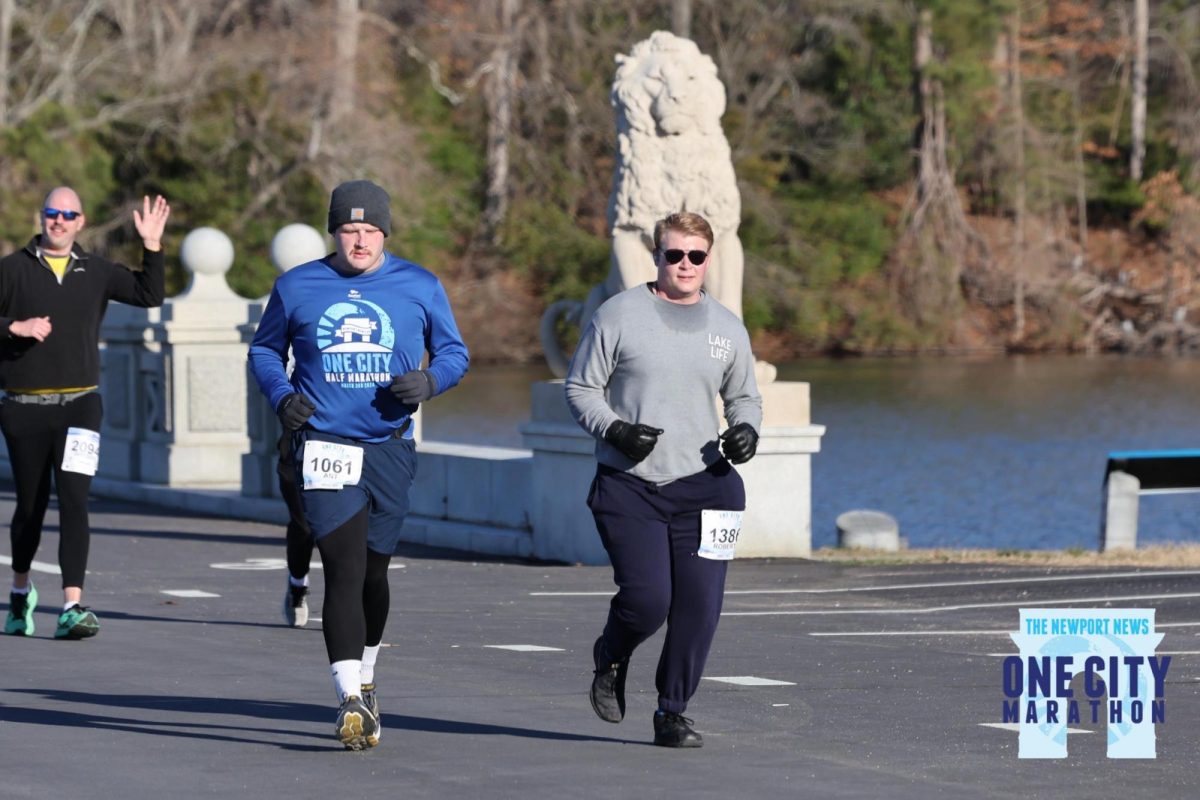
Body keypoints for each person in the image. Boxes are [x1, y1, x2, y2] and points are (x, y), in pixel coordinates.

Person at [248, 179, 468, 750]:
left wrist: (430, 380)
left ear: (385, 234)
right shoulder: (297, 286)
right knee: (342, 570)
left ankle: (367, 675)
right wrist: (281, 395)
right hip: (326, 446)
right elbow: (265, 350)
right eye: (349, 229)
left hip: (390, 446)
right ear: (334, 231)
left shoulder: (419, 285)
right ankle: (349, 698)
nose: (360, 240)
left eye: (370, 230)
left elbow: (454, 353)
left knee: (373, 573)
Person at [564, 211, 762, 748]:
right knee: (648, 600)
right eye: (673, 254)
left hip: (709, 486)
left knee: (699, 608)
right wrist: (616, 430)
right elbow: (581, 389)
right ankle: (611, 654)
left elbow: (744, 396)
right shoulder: (619, 314)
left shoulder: (726, 327)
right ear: (656, 257)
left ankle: (672, 712)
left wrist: (746, 430)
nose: (685, 265)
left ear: (708, 260)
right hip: (631, 484)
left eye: (695, 256)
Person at [2, 188, 170, 640]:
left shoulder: (94, 271)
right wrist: (12, 327)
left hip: (79, 406)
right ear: (42, 218)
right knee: (31, 509)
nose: (58, 220)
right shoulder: (12, 270)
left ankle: (72, 606)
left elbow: (149, 293)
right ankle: (20, 593)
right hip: (23, 407)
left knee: (75, 503)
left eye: (67, 214)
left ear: (81, 222)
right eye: (51, 212)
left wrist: (151, 245)